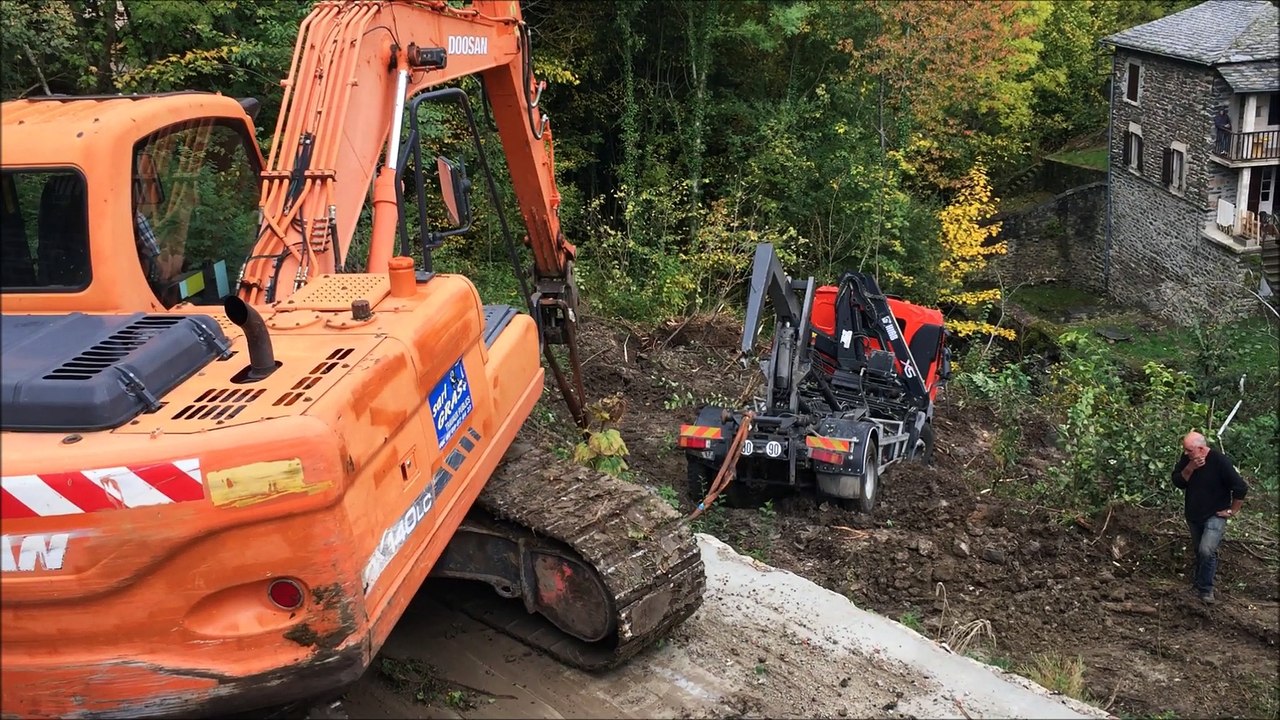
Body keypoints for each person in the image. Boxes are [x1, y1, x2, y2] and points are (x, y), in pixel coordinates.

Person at [1171, 431, 1248, 604]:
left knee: (1207, 550)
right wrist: (1191, 468)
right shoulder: (1187, 460)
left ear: (1201, 448)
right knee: (1200, 551)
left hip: (1215, 515)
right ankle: (1198, 584)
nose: (1185, 453)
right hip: (1193, 514)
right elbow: (1178, 482)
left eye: (1189, 450)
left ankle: (1206, 590)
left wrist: (1232, 511)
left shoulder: (1219, 461)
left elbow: (1240, 487)